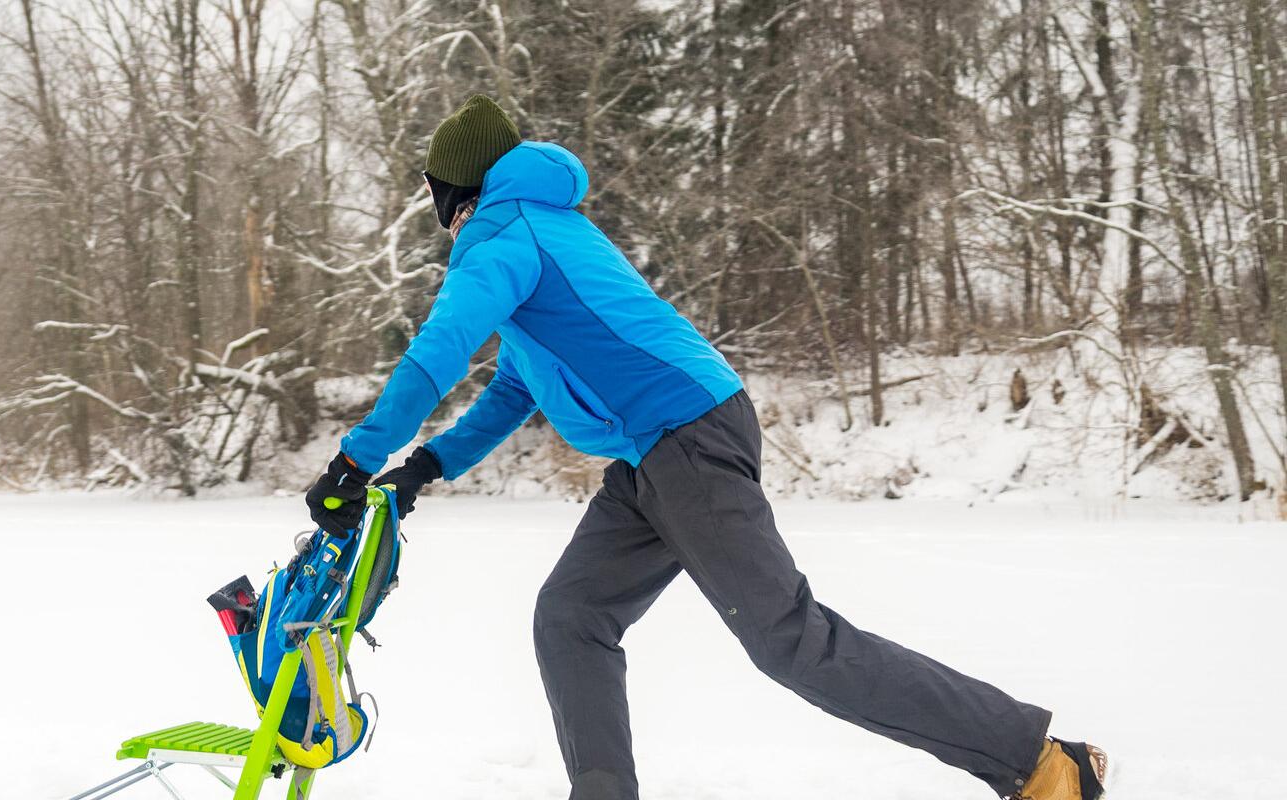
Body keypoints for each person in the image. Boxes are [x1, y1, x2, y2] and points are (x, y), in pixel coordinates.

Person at [302, 95, 1110, 800]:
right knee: (573, 614)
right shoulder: (539, 236)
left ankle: (1041, 764)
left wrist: (356, 461)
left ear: (460, 192)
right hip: (658, 453)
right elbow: (515, 388)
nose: (441, 214)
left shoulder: (507, 236)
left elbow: (435, 354)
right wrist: (424, 467)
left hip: (686, 439)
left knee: (791, 641)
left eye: (440, 196)